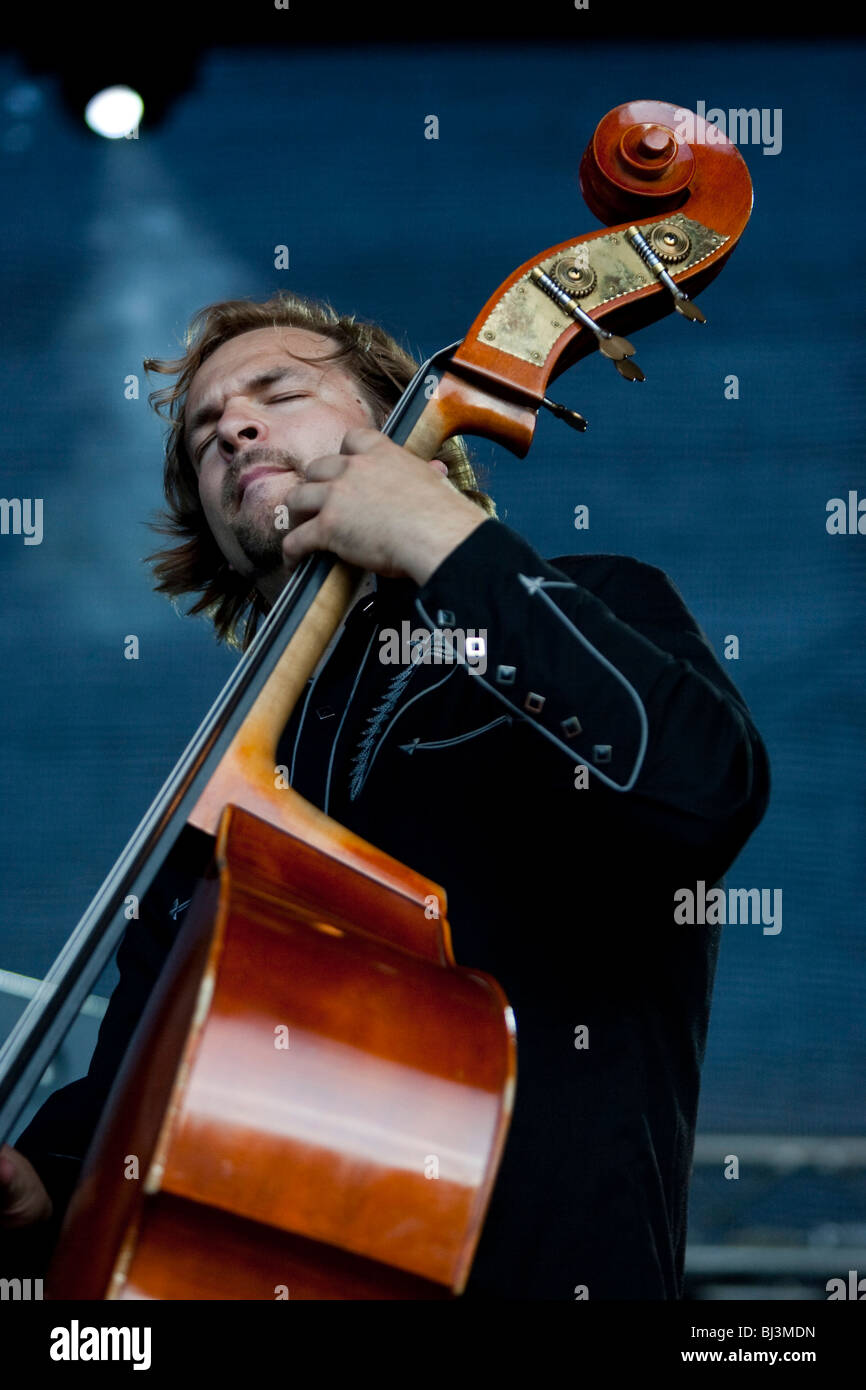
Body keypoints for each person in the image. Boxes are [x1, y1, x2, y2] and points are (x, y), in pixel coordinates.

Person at [0, 291, 770, 1299]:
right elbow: (143, 1083)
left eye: (278, 391)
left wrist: (439, 539)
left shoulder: (595, 604)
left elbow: (702, 792)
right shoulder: (230, 789)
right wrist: (49, 1191)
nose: (232, 426)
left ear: (402, 423)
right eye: (203, 435)